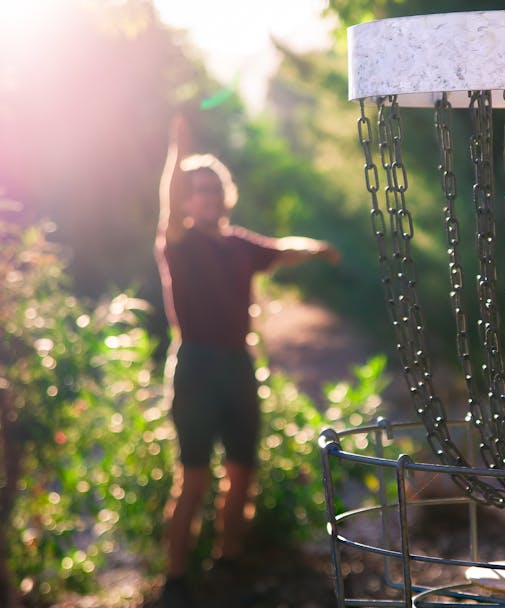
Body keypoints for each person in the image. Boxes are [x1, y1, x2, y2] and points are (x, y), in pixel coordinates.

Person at [155, 114, 339, 606]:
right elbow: (168, 200)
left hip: (238, 366)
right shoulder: (178, 242)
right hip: (196, 367)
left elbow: (281, 250)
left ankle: (229, 560)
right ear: (187, 200)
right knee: (193, 476)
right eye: (197, 191)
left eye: (213, 190)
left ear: (225, 196)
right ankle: (175, 579)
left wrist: (318, 249)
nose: (206, 198)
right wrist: (180, 146)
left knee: (242, 472)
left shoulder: (239, 245)